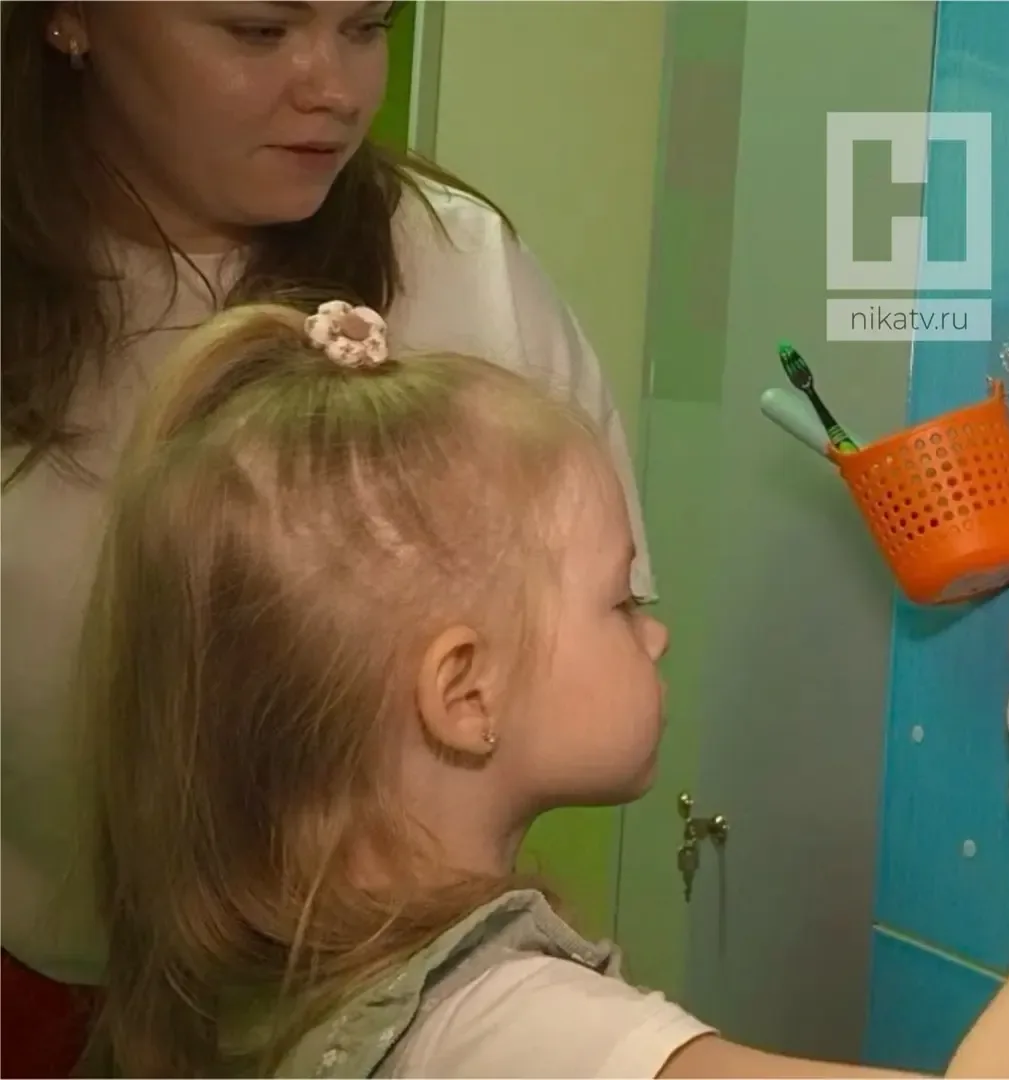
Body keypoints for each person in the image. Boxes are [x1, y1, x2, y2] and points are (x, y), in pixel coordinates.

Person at [82, 299, 1009, 1077]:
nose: (657, 634)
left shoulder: (275, 980)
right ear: (465, 695)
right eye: (620, 599)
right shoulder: (509, 1037)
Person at [1, 3, 651, 1073]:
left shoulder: (462, 269)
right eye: (259, 31)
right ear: (72, 19)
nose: (337, 90)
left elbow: (585, 652)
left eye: (367, 25)